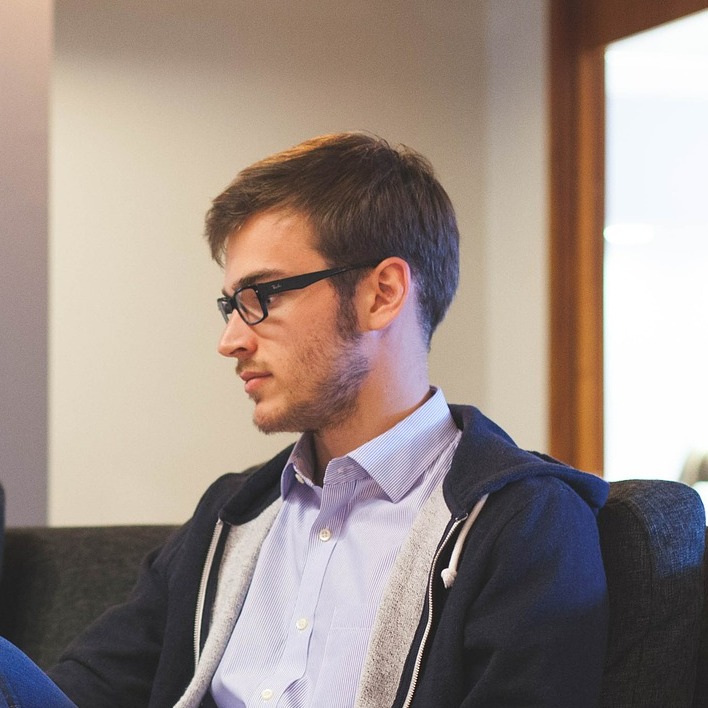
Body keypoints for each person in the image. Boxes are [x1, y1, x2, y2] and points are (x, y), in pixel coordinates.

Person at [2, 133, 608, 707]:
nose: (230, 340)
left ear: (382, 293)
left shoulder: (524, 523)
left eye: (262, 297)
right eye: (230, 305)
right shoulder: (232, 514)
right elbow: (70, 693)